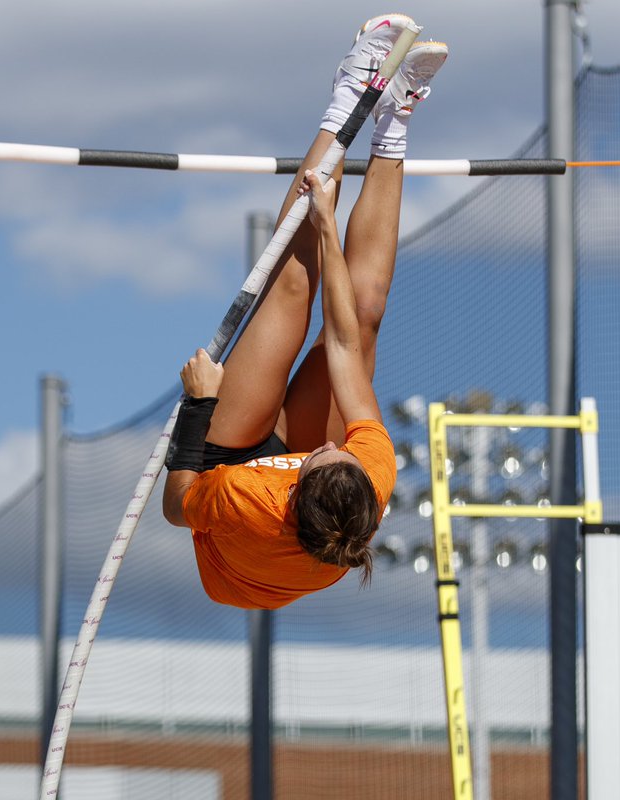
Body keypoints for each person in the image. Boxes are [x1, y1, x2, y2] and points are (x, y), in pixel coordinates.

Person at [163, 14, 448, 610]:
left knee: (292, 285)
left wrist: (199, 403)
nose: (328, 443)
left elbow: (177, 504)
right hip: (302, 516)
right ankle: (393, 116)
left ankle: (350, 90)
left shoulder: (246, 497)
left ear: (296, 487)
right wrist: (325, 226)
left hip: (231, 514)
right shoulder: (369, 474)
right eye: (339, 449)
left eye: (322, 452)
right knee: (365, 314)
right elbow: (344, 343)